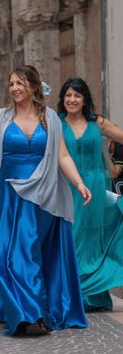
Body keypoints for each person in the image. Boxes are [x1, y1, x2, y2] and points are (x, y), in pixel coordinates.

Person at [0, 66, 90, 336]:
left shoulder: (50, 119)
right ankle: (29, 313)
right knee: (14, 255)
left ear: (34, 87)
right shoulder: (0, 120)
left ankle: (34, 311)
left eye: (20, 83)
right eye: (11, 83)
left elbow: (62, 156)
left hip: (43, 197)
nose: (15, 88)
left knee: (33, 255)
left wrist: (78, 183)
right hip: (10, 198)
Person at [57, 77, 123, 311]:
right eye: (68, 95)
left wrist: (119, 161)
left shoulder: (98, 123)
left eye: (77, 95)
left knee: (94, 239)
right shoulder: (56, 122)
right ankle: (76, 293)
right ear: (62, 99)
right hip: (67, 187)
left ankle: (94, 297)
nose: (72, 100)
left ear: (85, 99)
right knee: (73, 237)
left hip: (95, 187)